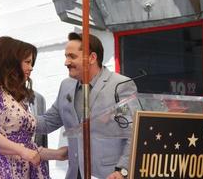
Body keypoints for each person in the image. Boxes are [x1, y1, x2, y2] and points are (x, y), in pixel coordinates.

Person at [0, 36, 67, 179]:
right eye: (27, 62)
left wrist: (58, 154)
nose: (31, 68)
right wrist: (23, 152)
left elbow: (26, 146)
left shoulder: (15, 99)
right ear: (10, 63)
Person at [36, 32, 138, 179]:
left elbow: (133, 132)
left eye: (72, 56)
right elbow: (47, 122)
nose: (66, 62)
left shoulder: (120, 86)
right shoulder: (66, 86)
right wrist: (14, 116)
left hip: (109, 176)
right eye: (66, 56)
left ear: (92, 58)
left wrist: (123, 171)